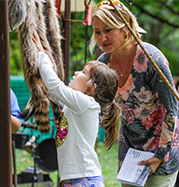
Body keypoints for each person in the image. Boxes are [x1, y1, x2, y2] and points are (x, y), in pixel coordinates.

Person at [90, 0, 179, 186]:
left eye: (108, 30)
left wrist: (160, 156)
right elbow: (98, 106)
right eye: (98, 32)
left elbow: (172, 110)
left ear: (126, 29)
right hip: (130, 150)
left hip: (162, 148)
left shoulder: (150, 58)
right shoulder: (103, 63)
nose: (102, 38)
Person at [33, 32, 121, 186]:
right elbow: (52, 92)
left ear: (91, 87)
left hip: (83, 179)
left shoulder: (86, 104)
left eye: (83, 73)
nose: (76, 73)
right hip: (76, 178)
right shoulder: (79, 105)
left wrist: (42, 55)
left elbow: (54, 86)